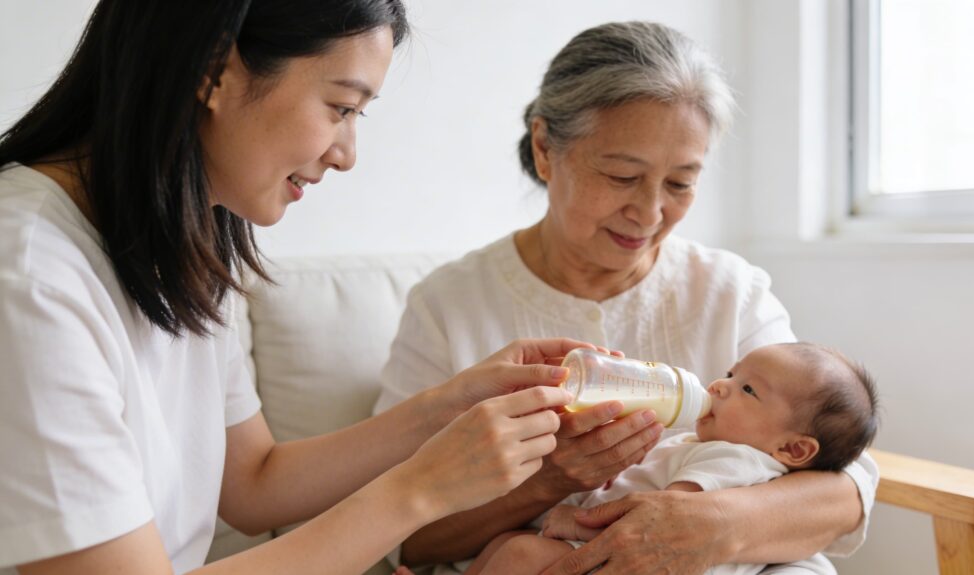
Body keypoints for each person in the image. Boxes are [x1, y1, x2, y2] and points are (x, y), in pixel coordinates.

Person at [0, 2, 605, 574]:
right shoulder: (28, 276)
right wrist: (424, 489)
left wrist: (449, 408)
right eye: (341, 108)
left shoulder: (183, 236)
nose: (346, 155)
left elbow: (252, 482)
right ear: (214, 70)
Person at [373, 21, 880, 575]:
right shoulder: (450, 306)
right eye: (621, 176)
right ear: (545, 149)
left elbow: (844, 484)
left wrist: (708, 526)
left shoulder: (729, 290)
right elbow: (401, 535)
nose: (651, 212)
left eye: (681, 182)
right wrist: (551, 481)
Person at [460, 342, 880, 575]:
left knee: (518, 555)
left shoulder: (735, 461)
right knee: (504, 545)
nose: (719, 386)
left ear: (792, 449)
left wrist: (572, 519)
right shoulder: (696, 443)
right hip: (606, 551)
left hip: (632, 561)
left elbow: (663, 524)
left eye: (749, 390)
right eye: (733, 374)